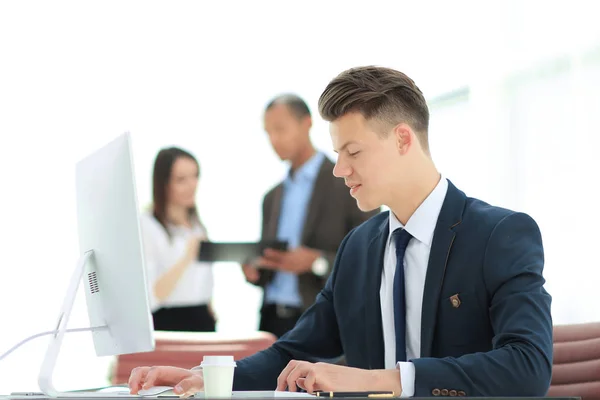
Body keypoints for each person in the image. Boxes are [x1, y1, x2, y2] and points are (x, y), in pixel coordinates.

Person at [128, 67, 553, 397]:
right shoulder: (359, 248)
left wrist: (384, 381)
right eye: (337, 153)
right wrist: (205, 378)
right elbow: (294, 350)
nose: (339, 169)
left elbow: (528, 367)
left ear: (403, 139)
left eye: (353, 152)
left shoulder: (500, 234)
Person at [242, 94, 379, 338]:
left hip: (321, 320)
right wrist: (256, 268)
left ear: (307, 123)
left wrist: (317, 262)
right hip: (271, 321)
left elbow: (371, 253)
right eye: (267, 132)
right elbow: (268, 267)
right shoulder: (272, 196)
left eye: (280, 129)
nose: (273, 139)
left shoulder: (349, 182)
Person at [139, 147, 216, 332]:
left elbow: (201, 279)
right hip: (170, 322)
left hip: (202, 318)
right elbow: (154, 294)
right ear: (164, 184)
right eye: (181, 180)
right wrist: (186, 257)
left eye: (195, 176)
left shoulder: (197, 225)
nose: (192, 185)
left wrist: (210, 308)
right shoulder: (148, 225)